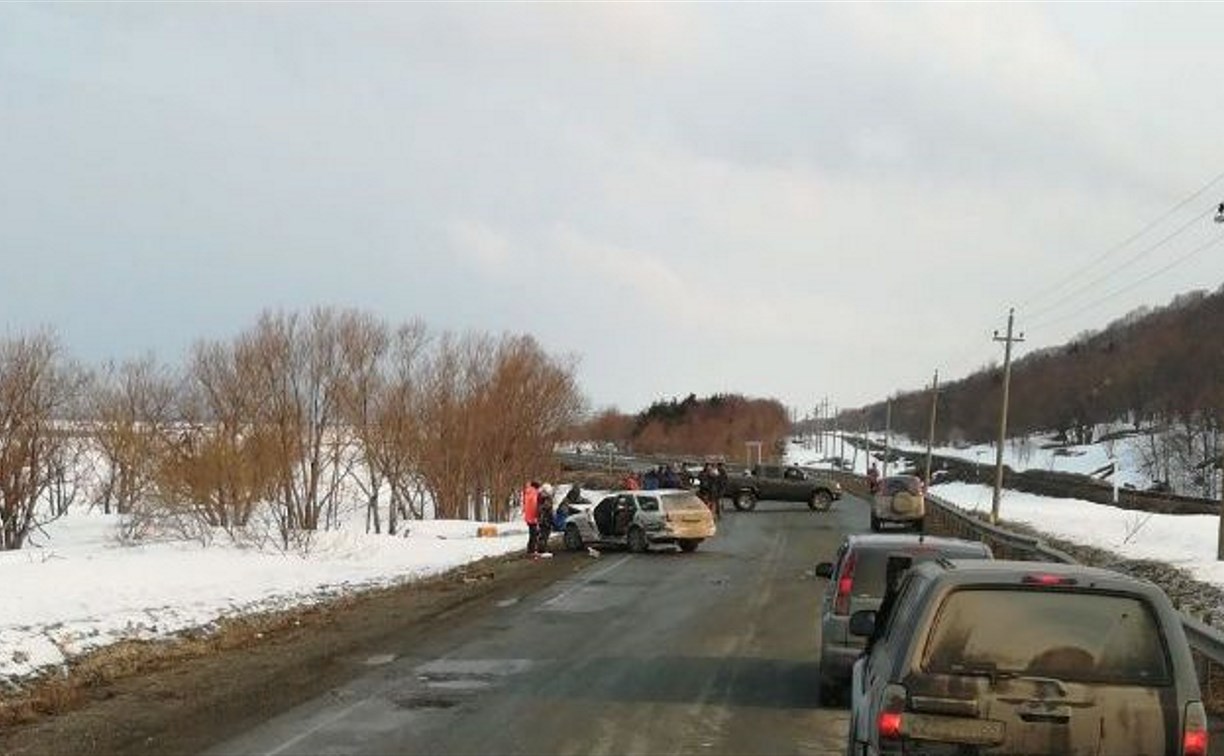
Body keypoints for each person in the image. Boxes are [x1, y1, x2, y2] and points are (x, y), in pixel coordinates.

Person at [522, 480, 540, 558]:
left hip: (528, 517)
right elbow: (534, 506)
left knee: (532, 533)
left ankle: (530, 549)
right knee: (534, 534)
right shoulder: (534, 494)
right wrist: (536, 516)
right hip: (532, 517)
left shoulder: (527, 493)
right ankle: (531, 550)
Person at [536, 483, 555, 557]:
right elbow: (546, 509)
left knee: (543, 534)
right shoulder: (545, 499)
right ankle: (542, 550)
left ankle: (541, 548)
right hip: (545, 519)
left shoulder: (540, 498)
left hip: (543, 519)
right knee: (544, 534)